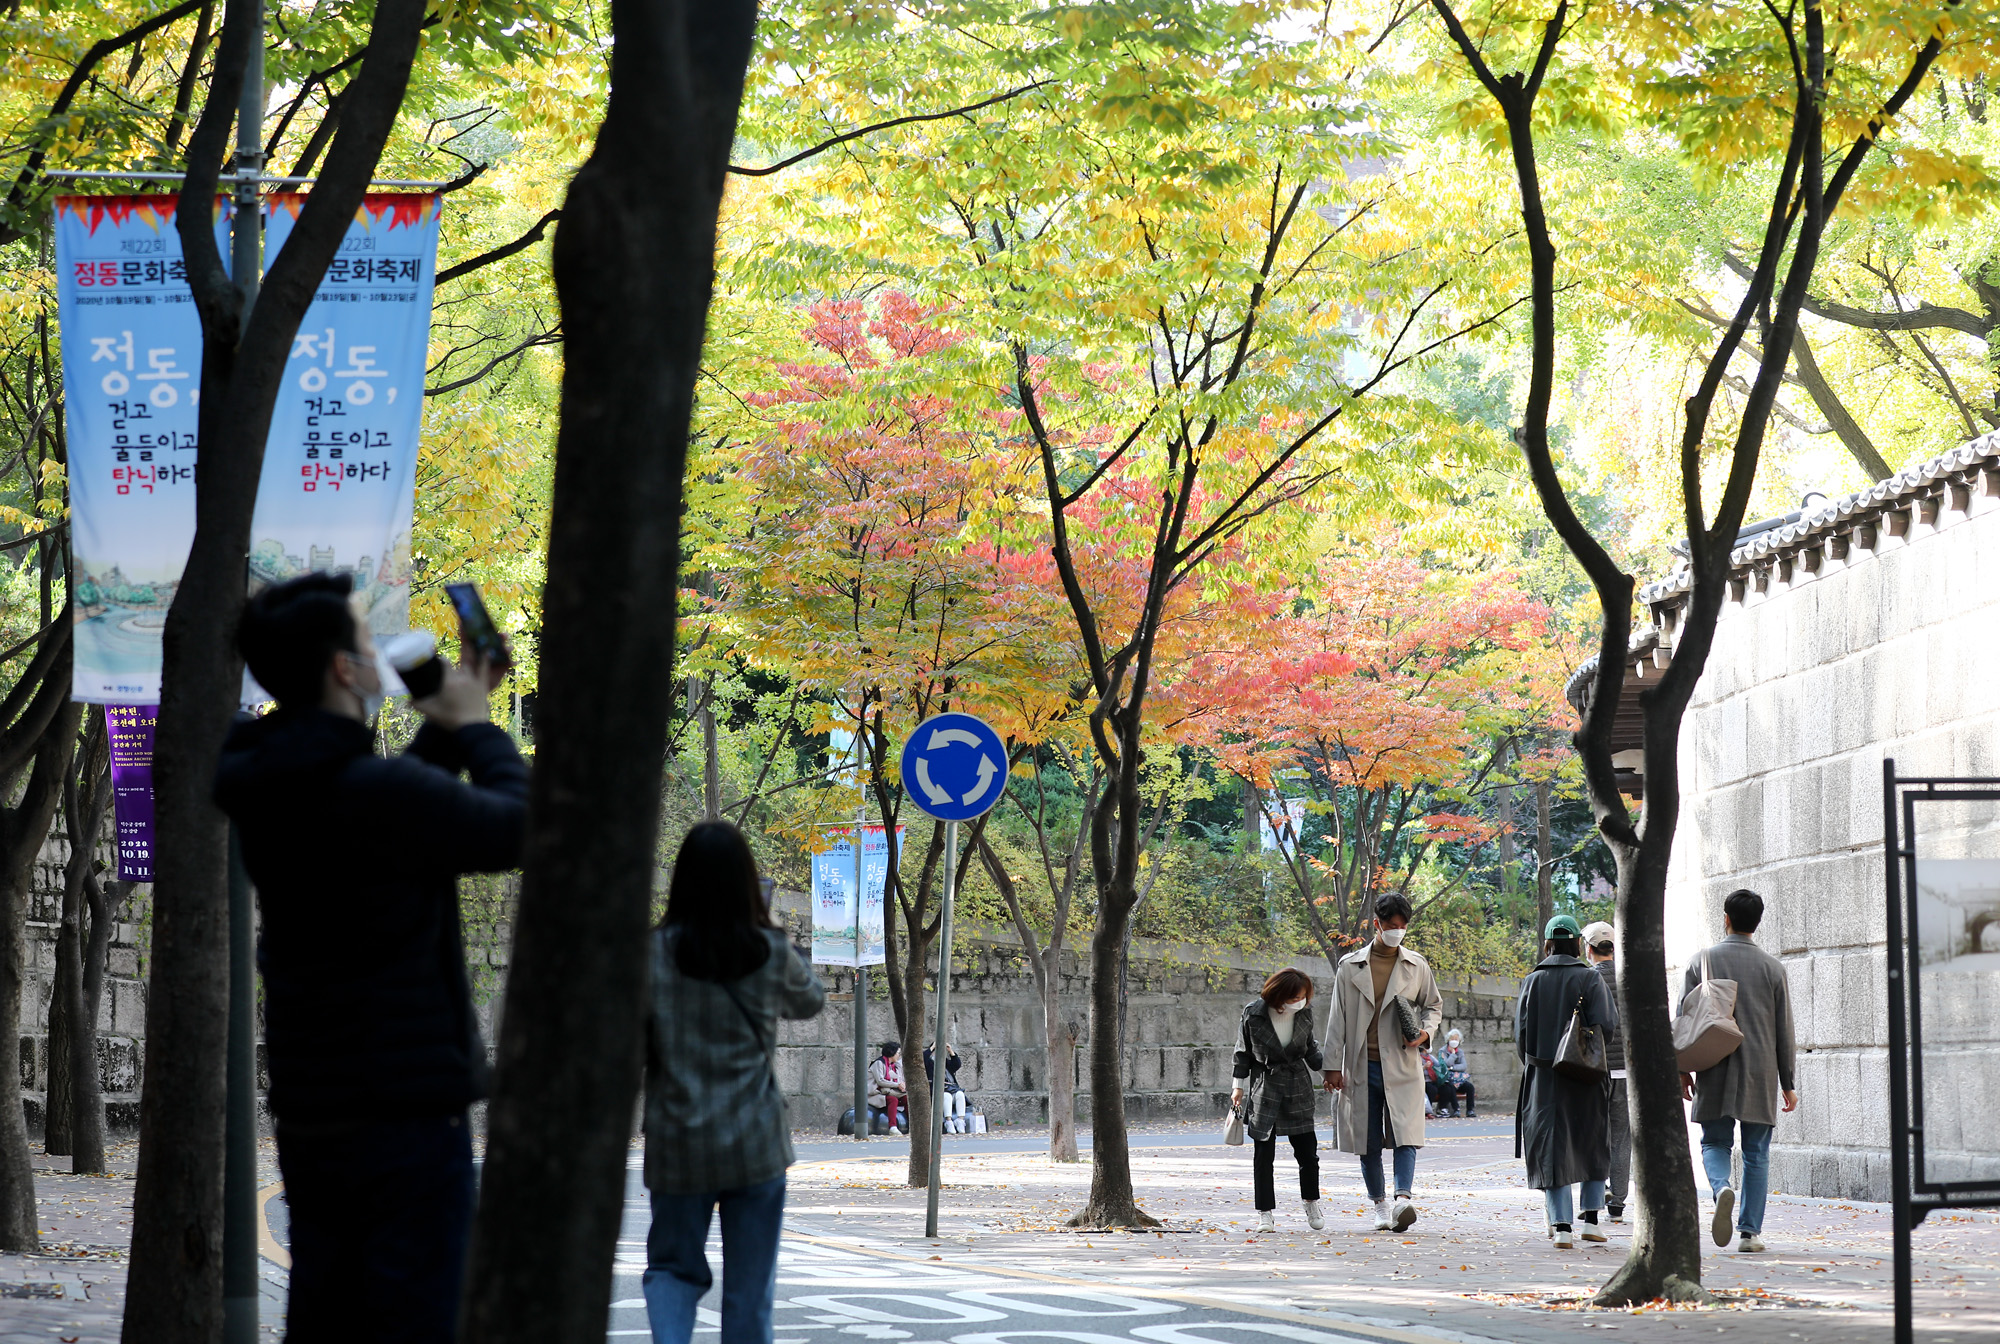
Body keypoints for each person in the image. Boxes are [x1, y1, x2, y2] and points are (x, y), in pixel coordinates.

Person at [215, 573, 525, 1343]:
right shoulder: (373, 796)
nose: (375, 657)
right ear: (343, 670)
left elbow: (390, 805)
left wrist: (448, 724)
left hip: (318, 1110)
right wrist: (480, 728)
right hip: (409, 1120)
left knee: (330, 1315)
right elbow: (522, 826)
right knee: (418, 1320)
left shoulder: (273, 790)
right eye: (362, 643)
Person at [641, 820, 827, 1344]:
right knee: (749, 1295)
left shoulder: (651, 953)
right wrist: (773, 933)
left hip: (679, 1141)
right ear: (747, 882)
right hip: (756, 1144)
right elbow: (810, 1000)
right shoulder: (766, 951)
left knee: (672, 1267)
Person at [1681, 888, 1797, 1255]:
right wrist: (1788, 1082)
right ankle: (1750, 1233)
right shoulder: (1773, 969)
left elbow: (1684, 1021)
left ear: (1725, 918)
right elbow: (1784, 1031)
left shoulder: (1701, 962)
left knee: (1715, 1142)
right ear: (1757, 922)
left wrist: (1682, 1070)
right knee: (1756, 1153)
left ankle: (1720, 1188)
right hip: (1759, 1071)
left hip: (1713, 1067)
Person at [1326, 894, 1444, 1232]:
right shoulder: (1350, 966)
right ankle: (1379, 1205)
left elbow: (1433, 1006)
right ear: (1376, 923)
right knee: (1368, 1139)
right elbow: (1338, 1018)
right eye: (1392, 926)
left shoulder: (1416, 965)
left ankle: (1402, 1200)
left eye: (1403, 927)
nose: (1398, 932)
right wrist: (1333, 1066)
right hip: (1361, 1065)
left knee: (1407, 1133)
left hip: (1403, 1064)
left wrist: (1425, 1033)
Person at [1515, 914, 1616, 1249]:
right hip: (1585, 1074)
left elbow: (1521, 1037)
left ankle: (1561, 1226)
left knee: (1552, 1150)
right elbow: (1607, 1026)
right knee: (1592, 1140)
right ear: (1576, 944)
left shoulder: (1532, 980)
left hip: (1543, 1077)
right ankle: (1591, 1220)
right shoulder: (1589, 979)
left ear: (1548, 944)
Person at [1230, 967, 1333, 1233]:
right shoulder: (1254, 1014)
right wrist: (1238, 1087)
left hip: (1297, 1085)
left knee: (1308, 1153)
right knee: (1264, 1155)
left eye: (1304, 996)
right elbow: (1243, 1053)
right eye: (1296, 996)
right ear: (1279, 994)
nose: (1301, 1001)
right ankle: (1265, 1213)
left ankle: (1311, 1202)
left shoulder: (1305, 1013)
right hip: (1266, 1087)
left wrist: (1328, 1073)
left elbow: (1311, 1049)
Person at [1582, 920, 1630, 1223]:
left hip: (1596, 1070)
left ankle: (1594, 1198)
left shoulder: (1587, 980)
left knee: (1595, 1135)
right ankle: (1618, 1203)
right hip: (1626, 1071)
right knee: (1622, 1137)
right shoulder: (1630, 979)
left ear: (1588, 949)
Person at [922, 1042, 971, 1134]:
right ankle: (948, 1121)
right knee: (947, 1096)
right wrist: (932, 1047)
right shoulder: (929, 1062)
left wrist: (950, 1051)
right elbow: (922, 1059)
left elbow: (956, 1065)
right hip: (939, 1092)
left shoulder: (945, 1062)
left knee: (960, 1094)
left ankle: (960, 1120)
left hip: (952, 1089)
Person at [866, 1043, 907, 1133]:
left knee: (907, 1099)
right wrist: (897, 1085)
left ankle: (912, 1125)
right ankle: (892, 1127)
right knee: (893, 1100)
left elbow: (898, 1079)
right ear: (891, 1052)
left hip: (889, 1091)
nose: (899, 1055)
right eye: (898, 1053)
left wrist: (902, 1086)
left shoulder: (894, 1065)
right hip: (876, 1093)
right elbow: (880, 1081)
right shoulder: (878, 1063)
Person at [1437, 1029, 1476, 1118]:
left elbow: (1463, 1066)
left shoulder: (1460, 1052)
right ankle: (1456, 1109)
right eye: (1452, 1038)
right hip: (1447, 1079)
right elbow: (1445, 1064)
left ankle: (1470, 1110)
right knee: (1451, 1087)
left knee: (1469, 1087)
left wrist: (1452, 1068)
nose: (1454, 1041)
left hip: (1458, 1078)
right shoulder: (1442, 1051)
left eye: (1456, 1039)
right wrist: (1453, 1054)